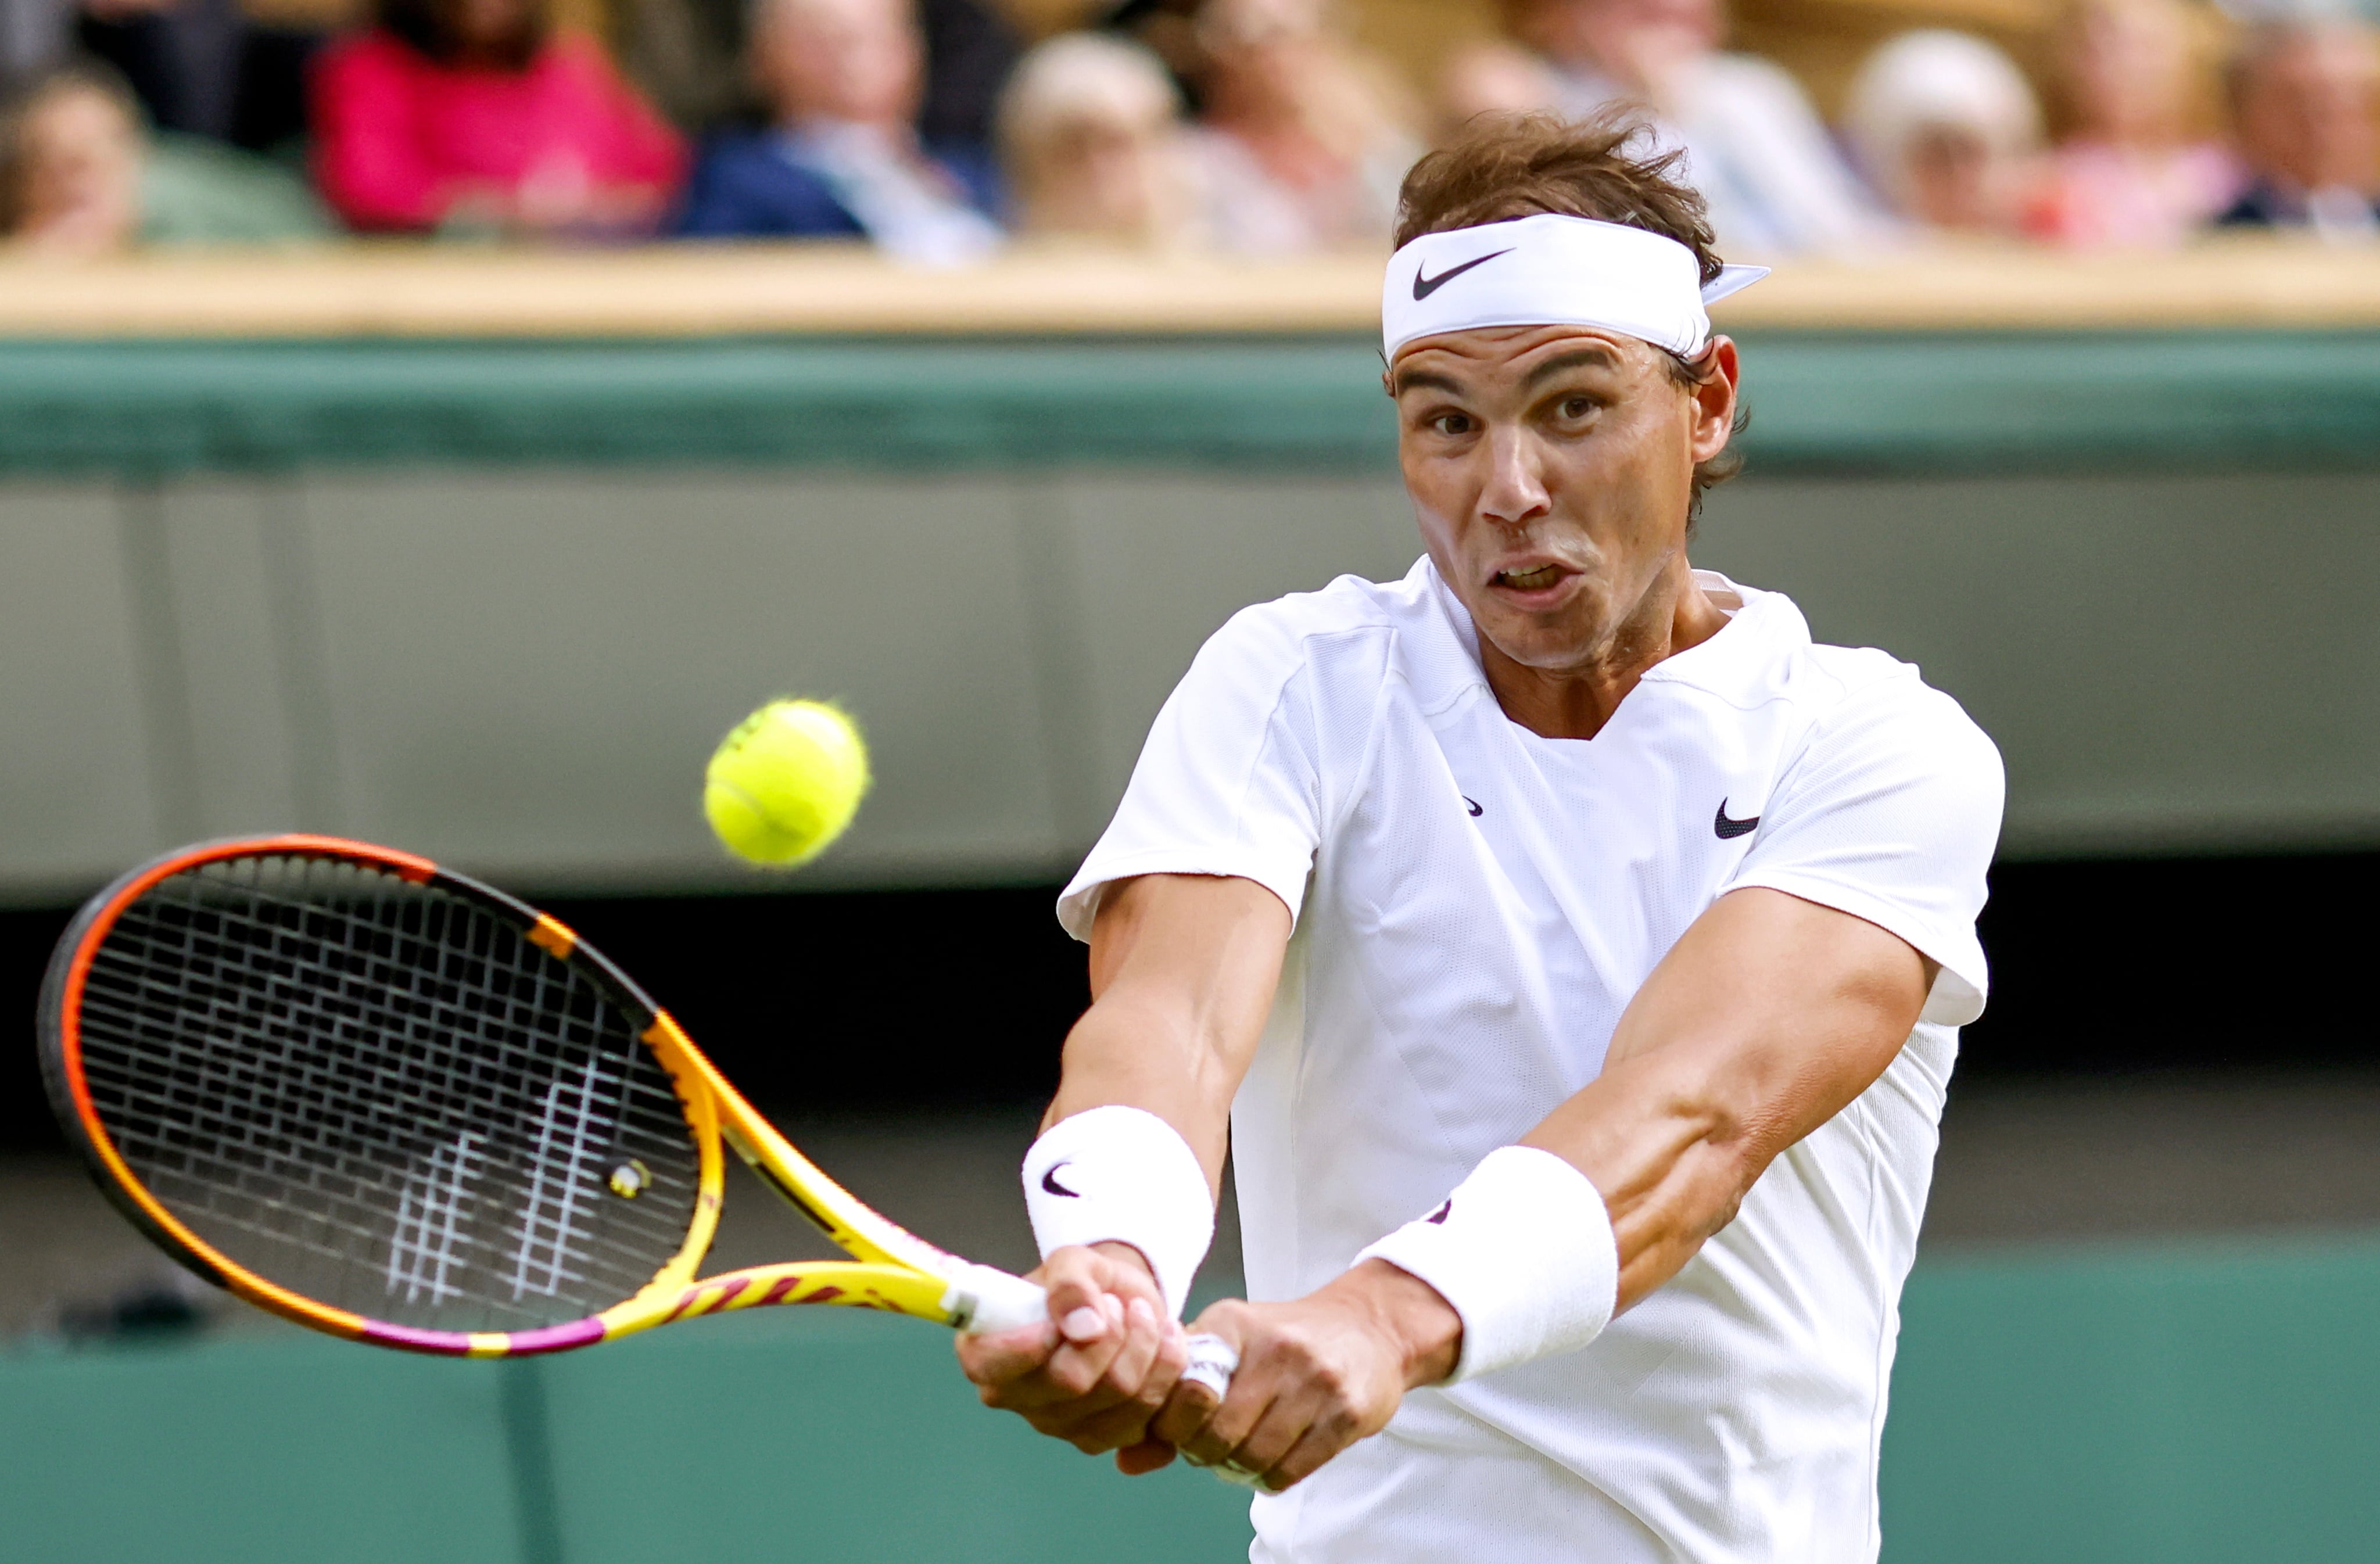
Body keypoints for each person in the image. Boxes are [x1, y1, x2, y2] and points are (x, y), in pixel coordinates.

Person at [956, 112, 2003, 1563]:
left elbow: (1690, 1117)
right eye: (1445, 418)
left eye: (1572, 407)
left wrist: (1385, 1317)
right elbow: (1165, 1029)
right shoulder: (1291, 680)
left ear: (1704, 405)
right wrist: (1115, 1257)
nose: (1504, 485)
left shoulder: (1876, 747)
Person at [1483, 0, 1889, 253]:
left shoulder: (1751, 92)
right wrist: (1658, 108)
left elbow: (1831, 230)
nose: (1672, 11)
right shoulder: (1533, 97)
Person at [310, 0, 686, 236]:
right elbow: (368, 187)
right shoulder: (374, 67)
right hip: (444, 303)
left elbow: (660, 169)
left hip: (587, 294)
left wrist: (607, 206)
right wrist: (500, 212)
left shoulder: (569, 66)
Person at [672, 0, 1000, 262]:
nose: (859, 59)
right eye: (829, 40)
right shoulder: (739, 182)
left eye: (881, 35)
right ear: (763, 59)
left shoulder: (967, 173)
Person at [1, 60, 329, 253]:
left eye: (97, 151)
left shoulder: (205, 204)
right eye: (54, 158)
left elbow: (311, 239)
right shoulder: (25, 240)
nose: (78, 177)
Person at [1179, 0, 1418, 254]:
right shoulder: (1198, 159)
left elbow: (1406, 233)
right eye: (1254, 42)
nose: (1274, 58)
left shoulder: (1377, 145)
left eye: (1286, 37)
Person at [2024, 0, 2235, 247]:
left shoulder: (2228, 176)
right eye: (2096, 50)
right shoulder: (2052, 181)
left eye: (2146, 49)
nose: (2120, 67)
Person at [998, 32, 1199, 249]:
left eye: (1115, 144)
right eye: (1075, 148)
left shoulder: (1212, 252)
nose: (1098, 168)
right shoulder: (981, 260)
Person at [1845, 29, 2043, 236]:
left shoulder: (2040, 247)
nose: (1958, 173)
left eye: (1968, 152)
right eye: (1938, 156)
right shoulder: (1864, 250)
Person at [2215, 16, 2379, 240]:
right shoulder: (2216, 237)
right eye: (2300, 104)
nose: (2325, 126)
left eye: (2351, 103)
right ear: (2241, 115)